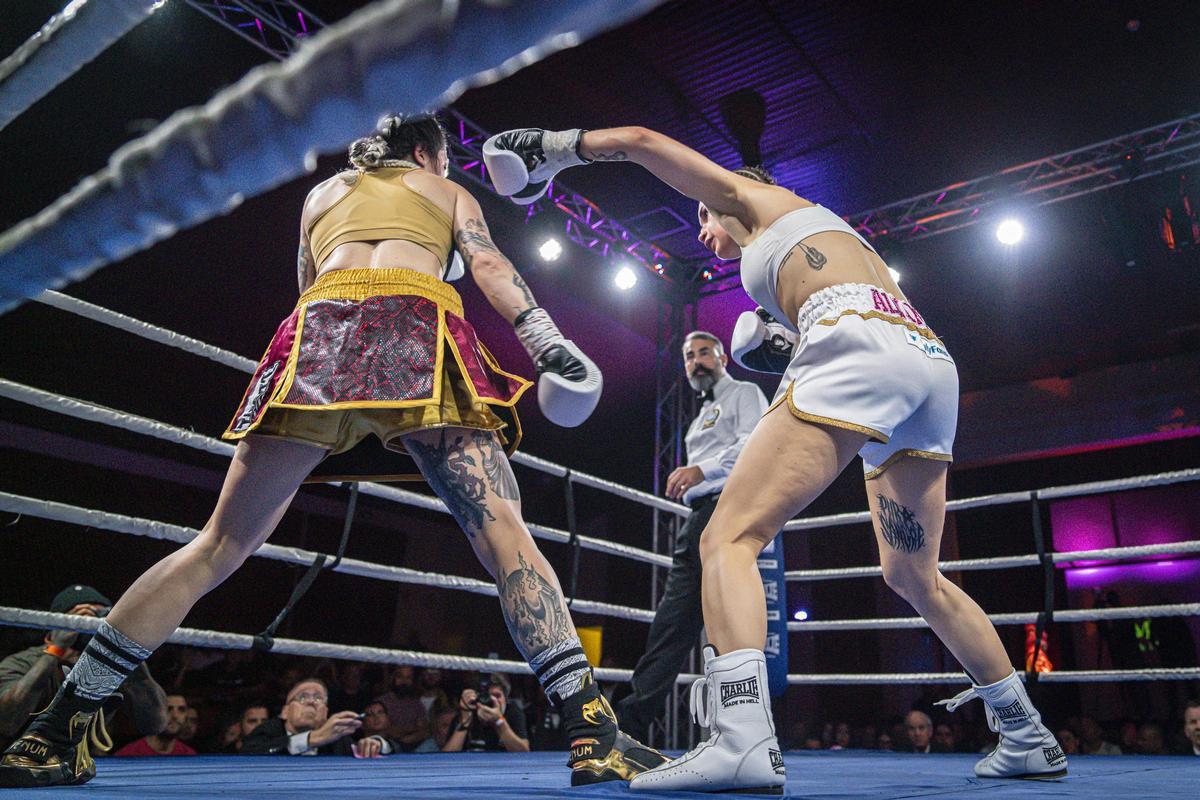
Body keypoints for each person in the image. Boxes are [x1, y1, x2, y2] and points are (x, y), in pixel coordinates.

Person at [0, 114, 661, 789]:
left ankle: (55, 729)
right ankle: (591, 732)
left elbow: (305, 290)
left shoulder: (321, 197)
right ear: (430, 153)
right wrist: (549, 344)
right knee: (504, 534)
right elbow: (487, 262)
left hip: (317, 335)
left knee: (217, 545)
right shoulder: (445, 190)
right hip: (415, 325)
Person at [484, 125, 1067, 791]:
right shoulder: (821, 237)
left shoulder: (755, 203)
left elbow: (644, 141)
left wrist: (557, 148)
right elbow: (843, 310)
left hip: (857, 337)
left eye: (704, 216)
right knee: (914, 576)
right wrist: (789, 345)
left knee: (728, 536)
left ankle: (740, 738)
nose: (704, 231)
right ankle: (1026, 732)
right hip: (923, 358)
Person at [616, 331, 767, 742]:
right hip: (700, 516)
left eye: (704, 353)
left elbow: (759, 442)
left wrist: (702, 470)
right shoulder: (699, 418)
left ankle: (738, 732)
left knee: (713, 619)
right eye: (688, 357)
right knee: (678, 622)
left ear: (722, 358)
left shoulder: (745, 393)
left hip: (731, 506)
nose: (696, 362)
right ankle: (629, 725)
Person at [0, 586, 167, 753]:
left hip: (86, 769)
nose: (86, 629)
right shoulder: (23, 662)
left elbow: (155, 725)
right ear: (54, 629)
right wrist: (56, 650)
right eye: (78, 622)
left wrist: (126, 647)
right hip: (18, 762)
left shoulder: (110, 665)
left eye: (94, 623)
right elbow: (6, 723)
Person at [240, 678, 385, 757]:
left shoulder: (337, 739)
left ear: (325, 713)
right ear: (285, 712)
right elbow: (248, 752)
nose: (310, 702)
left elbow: (397, 748)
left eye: (318, 698)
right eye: (302, 697)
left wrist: (375, 744)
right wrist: (312, 739)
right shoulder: (269, 729)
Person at [442, 674, 529, 753]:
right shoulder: (470, 711)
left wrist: (499, 721)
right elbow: (446, 758)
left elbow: (524, 752)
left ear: (505, 698)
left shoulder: (512, 712)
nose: (492, 700)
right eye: (486, 696)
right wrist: (465, 721)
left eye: (497, 696)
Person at [114, 695, 196, 757]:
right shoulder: (127, 756)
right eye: (168, 709)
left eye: (181, 710)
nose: (175, 716)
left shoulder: (190, 756)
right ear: (154, 713)